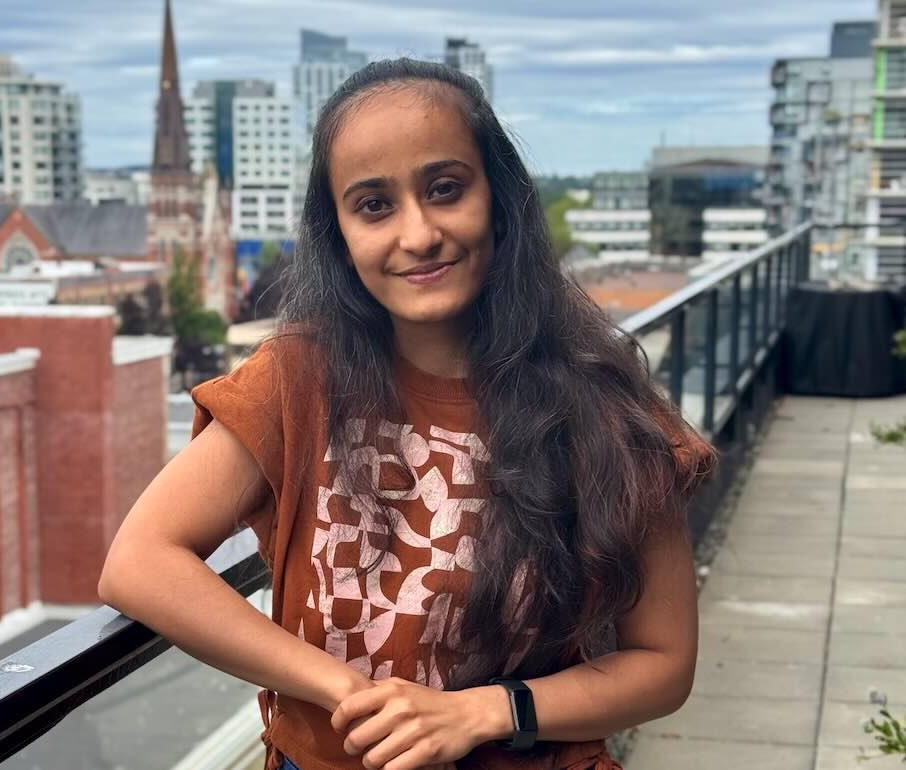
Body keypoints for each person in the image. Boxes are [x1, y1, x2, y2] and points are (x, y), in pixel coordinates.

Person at [98, 58, 716, 770]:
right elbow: (138, 563)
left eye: (445, 189)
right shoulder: (298, 379)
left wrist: (481, 713)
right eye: (373, 206)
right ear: (338, 233)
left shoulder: (603, 405)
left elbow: (664, 663)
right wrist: (348, 692)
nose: (418, 234)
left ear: (500, 197)